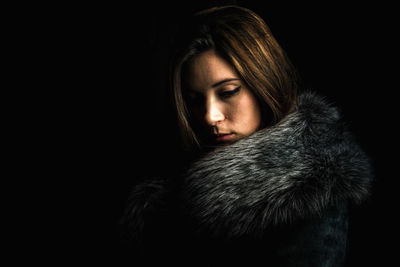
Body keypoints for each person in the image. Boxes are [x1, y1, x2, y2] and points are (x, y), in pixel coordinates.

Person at [120, 5, 373, 266]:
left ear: (264, 84)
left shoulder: (311, 187)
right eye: (194, 100)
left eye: (228, 92)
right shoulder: (170, 184)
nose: (210, 115)